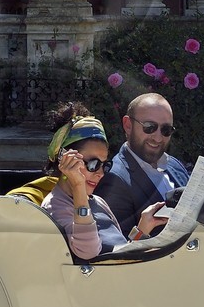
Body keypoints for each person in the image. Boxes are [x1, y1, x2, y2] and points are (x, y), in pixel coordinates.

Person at [41, 103, 166, 260]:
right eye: (93, 164)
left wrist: (143, 228)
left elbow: (119, 257)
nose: (100, 173)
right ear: (66, 159)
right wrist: (78, 185)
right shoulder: (55, 206)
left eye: (105, 165)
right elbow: (89, 252)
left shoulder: (97, 201)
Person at [96, 92, 189, 232]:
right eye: (149, 127)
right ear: (128, 125)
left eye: (166, 130)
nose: (158, 138)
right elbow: (120, 248)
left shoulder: (174, 165)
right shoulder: (114, 179)